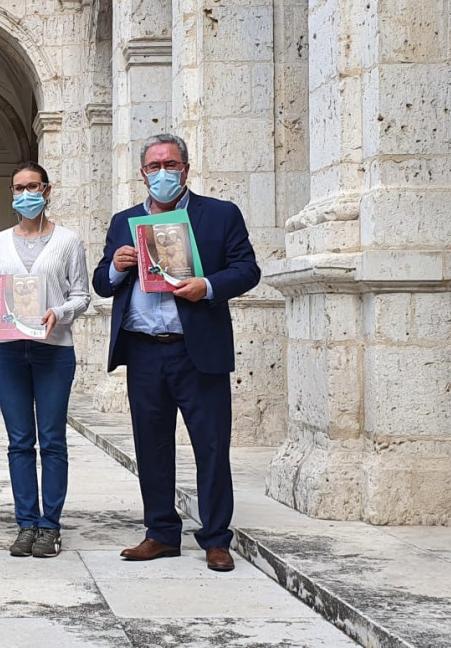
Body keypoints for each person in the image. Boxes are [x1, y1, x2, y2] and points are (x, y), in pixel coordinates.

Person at [93, 133, 260, 572]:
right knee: (151, 446)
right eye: (153, 166)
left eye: (170, 164)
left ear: (185, 169)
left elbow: (247, 269)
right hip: (145, 351)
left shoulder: (219, 216)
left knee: (210, 445)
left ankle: (216, 537)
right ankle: (161, 532)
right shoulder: (124, 221)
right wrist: (117, 265)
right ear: (142, 173)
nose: (162, 172)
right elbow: (101, 282)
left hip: (196, 349)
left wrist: (207, 287)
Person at [0, 162, 90, 558]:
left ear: (47, 190)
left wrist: (57, 313)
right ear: (11, 195)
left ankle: (50, 525)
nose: (26, 194)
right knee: (19, 441)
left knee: (52, 439)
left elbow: (82, 295)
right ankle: (26, 523)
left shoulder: (68, 240)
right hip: (8, 350)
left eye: (33, 187)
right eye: (18, 188)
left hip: (54, 349)